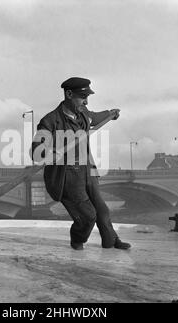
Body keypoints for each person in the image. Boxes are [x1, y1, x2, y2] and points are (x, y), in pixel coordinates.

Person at [31, 77, 131, 251]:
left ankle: (110, 240)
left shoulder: (82, 111)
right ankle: (77, 240)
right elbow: (36, 152)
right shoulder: (50, 121)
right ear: (69, 94)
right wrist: (49, 153)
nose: (85, 101)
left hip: (87, 170)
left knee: (102, 209)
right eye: (82, 96)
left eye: (87, 97)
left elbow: (95, 117)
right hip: (67, 176)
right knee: (87, 216)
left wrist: (111, 113)